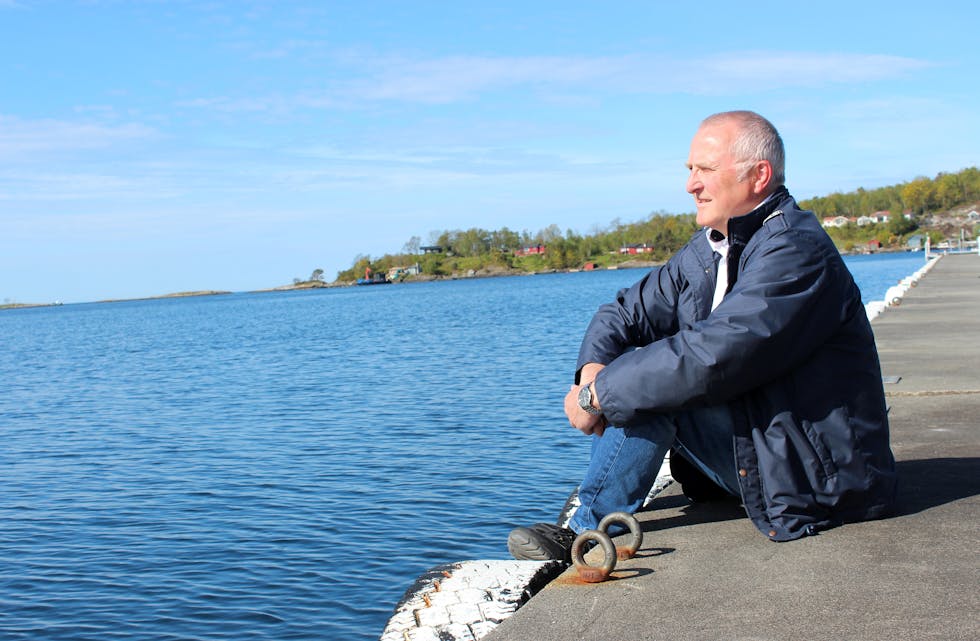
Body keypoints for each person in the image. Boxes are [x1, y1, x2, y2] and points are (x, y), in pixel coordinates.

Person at [508, 110, 897, 561]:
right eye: (690, 170)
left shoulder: (795, 252)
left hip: (822, 475)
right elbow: (622, 312)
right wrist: (592, 371)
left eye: (705, 170)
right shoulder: (713, 247)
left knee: (652, 384)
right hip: (768, 449)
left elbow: (710, 355)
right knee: (637, 374)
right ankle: (596, 521)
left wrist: (599, 396)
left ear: (759, 175)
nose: (691, 184)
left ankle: (587, 531)